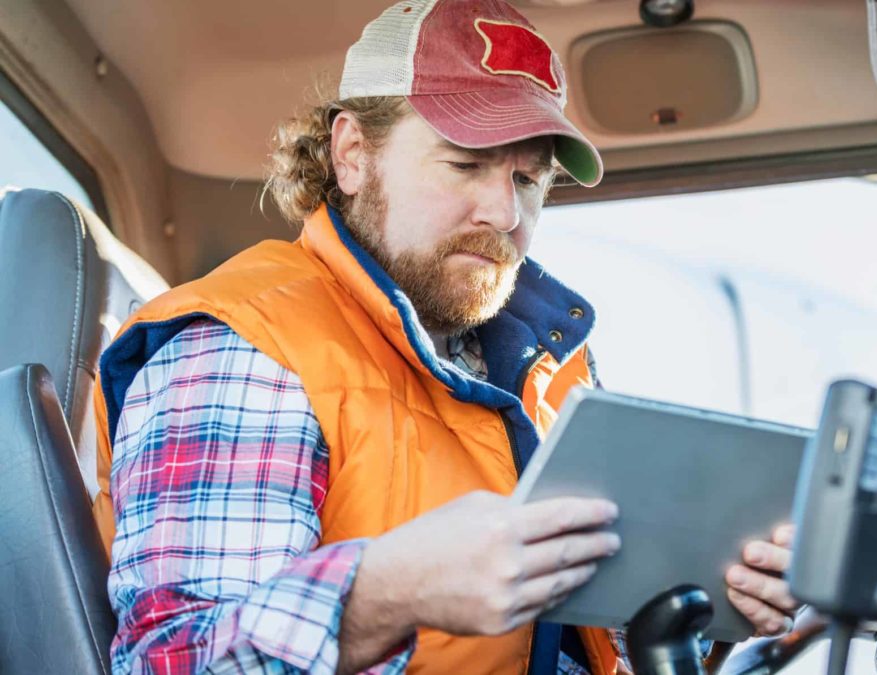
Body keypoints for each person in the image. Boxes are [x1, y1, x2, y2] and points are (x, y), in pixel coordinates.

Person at [90, 1, 800, 673]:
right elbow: (171, 657)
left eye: (529, 179)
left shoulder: (547, 371)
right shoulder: (244, 347)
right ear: (352, 154)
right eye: (465, 162)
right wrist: (392, 590)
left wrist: (712, 613)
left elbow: (602, 639)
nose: (504, 210)